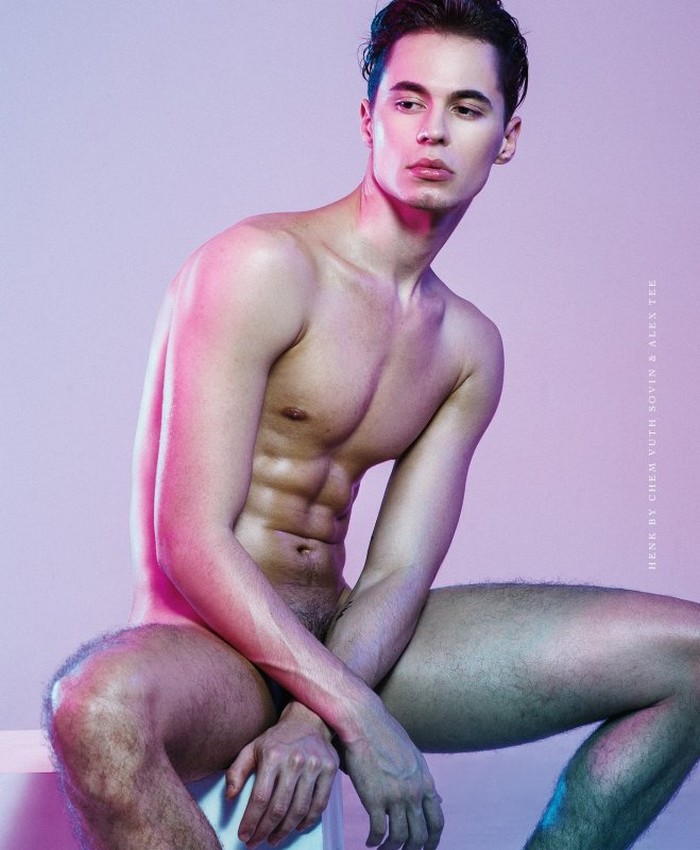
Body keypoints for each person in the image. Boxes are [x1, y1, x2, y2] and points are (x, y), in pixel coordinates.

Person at [44, 2, 700, 849]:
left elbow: (396, 572)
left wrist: (317, 717)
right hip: (212, 652)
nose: (434, 131)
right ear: (368, 118)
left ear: (506, 137)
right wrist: (356, 717)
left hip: (352, 636)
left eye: (467, 107)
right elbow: (190, 539)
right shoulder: (262, 266)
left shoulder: (466, 348)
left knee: (690, 653)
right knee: (92, 705)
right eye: (408, 101)